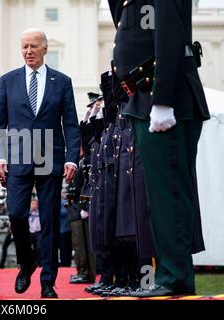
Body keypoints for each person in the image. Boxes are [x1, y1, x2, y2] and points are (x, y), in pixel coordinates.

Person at [109, 0, 208, 297]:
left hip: (165, 99)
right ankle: (172, 273)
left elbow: (169, 37)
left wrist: (162, 99)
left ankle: (173, 275)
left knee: (171, 196)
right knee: (160, 198)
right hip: (142, 99)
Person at [0, 28, 81, 298]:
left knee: (49, 221)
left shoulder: (62, 81)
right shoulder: (8, 81)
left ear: (45, 49)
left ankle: (47, 282)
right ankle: (26, 260)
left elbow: (71, 124)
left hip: (51, 160)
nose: (28, 51)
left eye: (33, 46)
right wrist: (0, 156)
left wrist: (71, 159)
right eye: (24, 47)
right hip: (17, 160)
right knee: (17, 213)